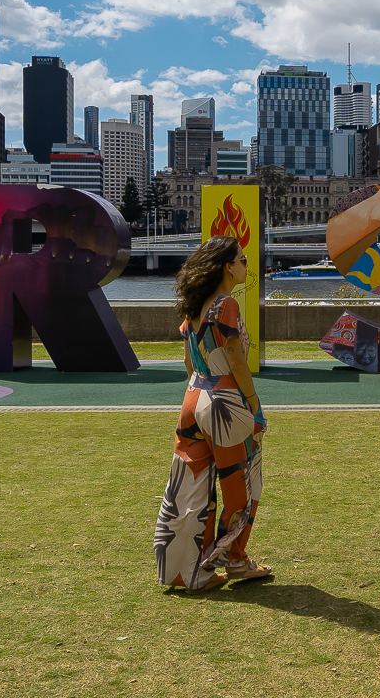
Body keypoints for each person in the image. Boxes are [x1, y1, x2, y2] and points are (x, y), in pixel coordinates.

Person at [153, 235, 270, 591]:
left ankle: (185, 571)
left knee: (189, 487)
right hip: (224, 403)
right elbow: (236, 360)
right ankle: (234, 559)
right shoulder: (226, 306)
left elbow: (188, 360)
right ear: (226, 267)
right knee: (243, 484)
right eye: (242, 260)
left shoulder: (194, 306)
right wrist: (254, 405)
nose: (246, 265)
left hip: (193, 397)